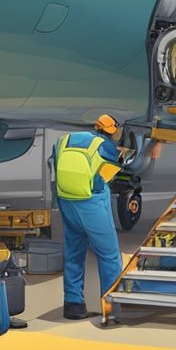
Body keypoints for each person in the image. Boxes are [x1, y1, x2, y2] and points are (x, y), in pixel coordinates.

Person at [55, 113, 125, 319]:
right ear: (112, 130)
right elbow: (116, 168)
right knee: (109, 255)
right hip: (90, 203)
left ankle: (73, 305)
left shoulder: (64, 140)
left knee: (74, 253)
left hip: (66, 200)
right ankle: (112, 308)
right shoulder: (105, 145)